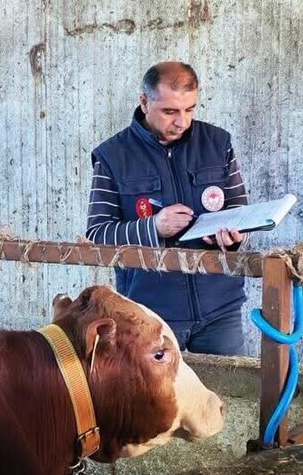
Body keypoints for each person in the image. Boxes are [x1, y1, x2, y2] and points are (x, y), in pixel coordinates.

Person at [87, 61, 248, 355]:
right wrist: (153, 227)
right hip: (149, 313)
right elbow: (98, 234)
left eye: (190, 109)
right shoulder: (112, 156)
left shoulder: (218, 143)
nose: (182, 122)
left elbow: (239, 208)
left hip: (221, 307)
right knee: (153, 402)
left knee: (225, 398)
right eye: (170, 111)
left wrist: (236, 237)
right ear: (144, 102)